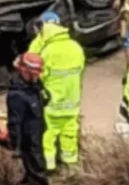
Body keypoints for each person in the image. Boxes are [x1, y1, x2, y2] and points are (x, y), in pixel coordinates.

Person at [27, 11, 85, 171]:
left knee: (48, 135)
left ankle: (49, 167)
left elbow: (37, 74)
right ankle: (71, 166)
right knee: (69, 134)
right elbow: (80, 71)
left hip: (51, 103)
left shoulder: (47, 50)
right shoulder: (75, 47)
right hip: (72, 101)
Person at [7, 52, 50, 185]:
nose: (38, 76)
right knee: (34, 161)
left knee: (35, 160)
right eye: (35, 73)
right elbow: (15, 122)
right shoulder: (17, 95)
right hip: (27, 135)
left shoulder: (34, 87)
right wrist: (15, 145)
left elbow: (44, 99)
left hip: (36, 129)